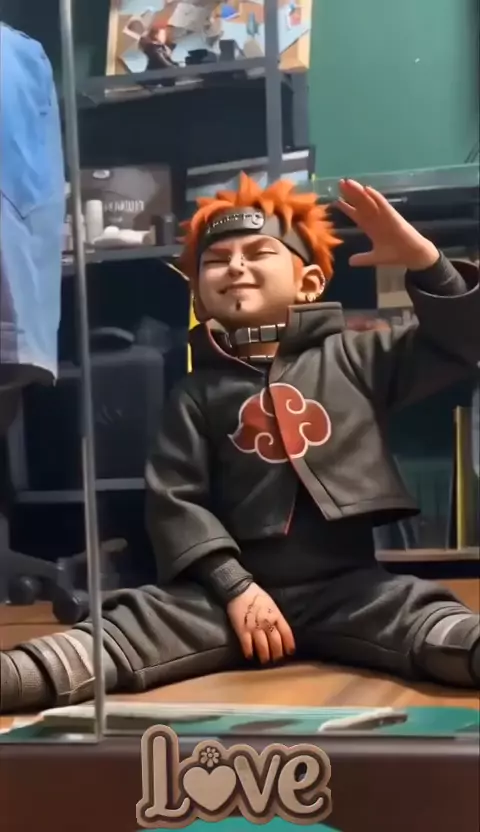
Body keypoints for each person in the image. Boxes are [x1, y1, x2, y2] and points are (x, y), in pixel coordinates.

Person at [2, 174, 480, 713]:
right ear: (198, 293)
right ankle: (18, 676)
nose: (234, 267)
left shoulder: (358, 359)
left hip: (351, 589)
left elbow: (461, 341)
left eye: (258, 253)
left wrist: (426, 262)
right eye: (215, 260)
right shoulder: (196, 394)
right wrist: (234, 586)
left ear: (309, 282)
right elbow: (176, 500)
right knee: (130, 626)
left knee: (427, 619)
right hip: (223, 599)